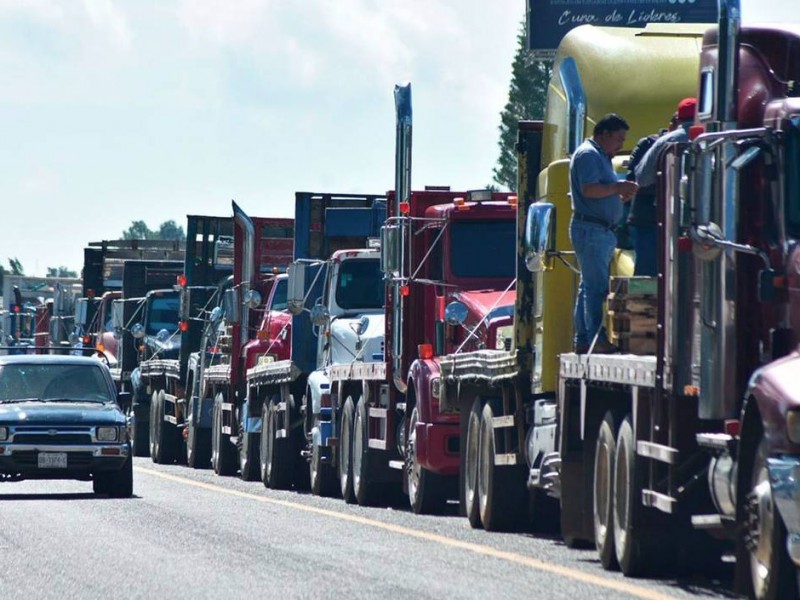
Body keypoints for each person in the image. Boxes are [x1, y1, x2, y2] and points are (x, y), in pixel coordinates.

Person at [569, 113, 639, 354]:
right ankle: (595, 339)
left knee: (588, 287)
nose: (621, 144)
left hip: (598, 229)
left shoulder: (600, 155)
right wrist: (617, 188)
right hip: (592, 229)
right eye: (618, 138)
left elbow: (599, 190)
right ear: (604, 134)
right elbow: (589, 189)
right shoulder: (589, 155)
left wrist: (616, 195)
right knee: (596, 288)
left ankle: (583, 338)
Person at [630, 97, 698, 275]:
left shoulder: (663, 142)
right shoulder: (713, 138)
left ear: (679, 119)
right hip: (703, 225)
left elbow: (642, 178)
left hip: (662, 221)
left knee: (650, 279)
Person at [625, 114, 674, 276]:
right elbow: (634, 179)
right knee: (647, 273)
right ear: (671, 124)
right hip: (646, 219)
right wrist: (661, 184)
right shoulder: (649, 144)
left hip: (674, 221)